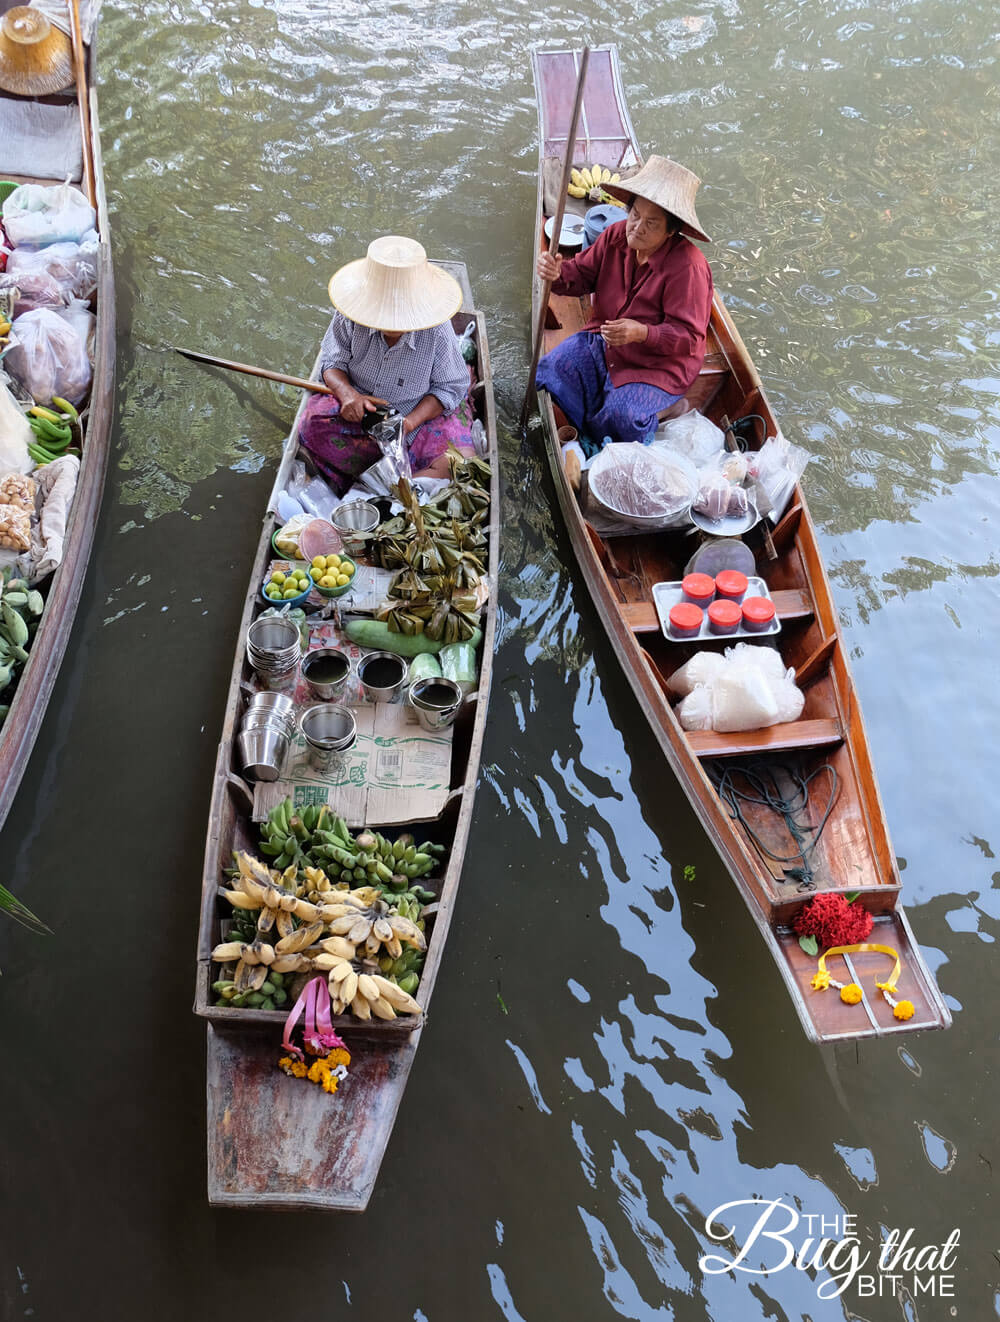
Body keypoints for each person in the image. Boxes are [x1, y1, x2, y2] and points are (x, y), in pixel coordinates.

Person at [535, 155, 714, 449]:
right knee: (552, 370)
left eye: (651, 223)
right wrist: (556, 273)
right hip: (605, 341)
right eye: (635, 215)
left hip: (658, 365)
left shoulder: (688, 268)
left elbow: (690, 338)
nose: (637, 227)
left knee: (623, 418)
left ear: (671, 231)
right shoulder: (615, 235)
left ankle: (670, 409)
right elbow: (581, 275)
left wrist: (641, 332)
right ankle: (584, 432)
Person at [299, 235, 474, 495]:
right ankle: (379, 480)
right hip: (361, 409)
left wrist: (409, 424)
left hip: (416, 413)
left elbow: (449, 387)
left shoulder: (437, 331)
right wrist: (348, 394)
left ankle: (379, 484)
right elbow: (332, 363)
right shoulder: (351, 316)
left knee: (461, 462)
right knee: (310, 426)